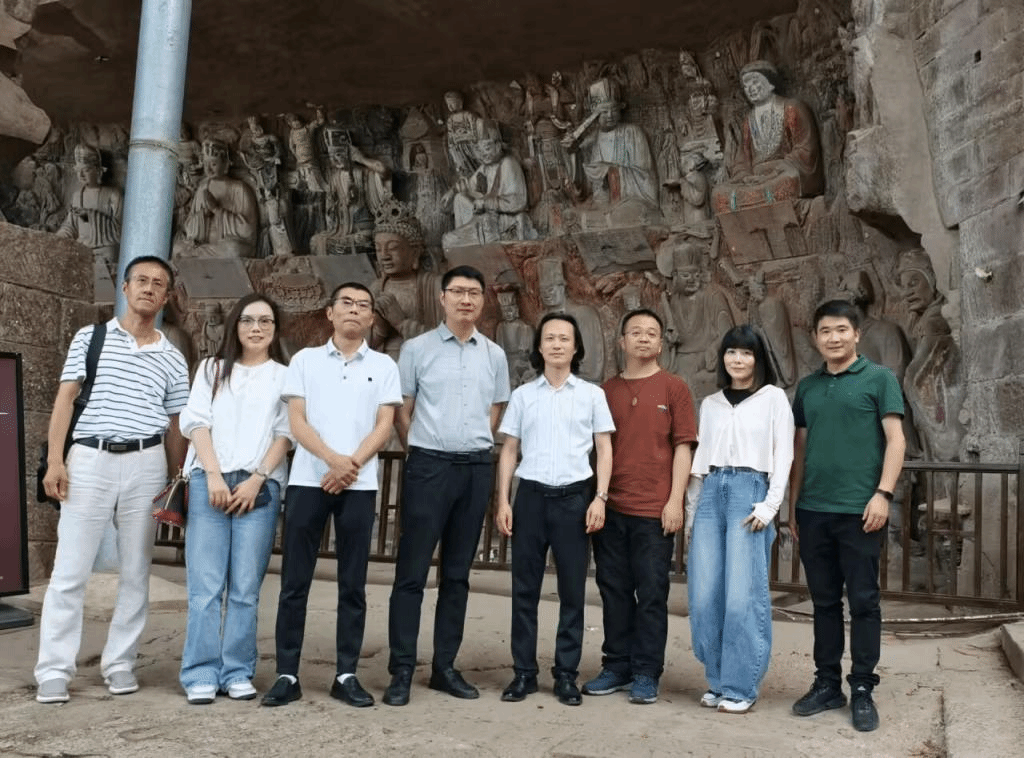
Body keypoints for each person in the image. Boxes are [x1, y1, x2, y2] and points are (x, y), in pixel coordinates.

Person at [35, 256, 189, 704]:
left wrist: (176, 479)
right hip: (90, 458)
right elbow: (65, 399)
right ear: (125, 287)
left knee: (137, 571)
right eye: (141, 280)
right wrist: (56, 462)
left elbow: (176, 424)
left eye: (158, 283)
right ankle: (54, 670)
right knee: (70, 570)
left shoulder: (173, 357)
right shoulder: (92, 337)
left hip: (147, 462)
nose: (148, 288)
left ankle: (120, 663)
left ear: (166, 297)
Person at [261, 282, 402, 708]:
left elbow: (384, 425)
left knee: (353, 584)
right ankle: (287, 673)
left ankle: (346, 674)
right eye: (347, 303)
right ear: (330, 312)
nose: (354, 310)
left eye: (363, 305)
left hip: (359, 485)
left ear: (372, 317)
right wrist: (331, 461)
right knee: (294, 582)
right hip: (308, 481)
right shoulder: (304, 361)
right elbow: (296, 422)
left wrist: (349, 466)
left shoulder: (384, 365)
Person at [383, 265, 510, 706]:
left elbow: (495, 409)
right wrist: (419, 448)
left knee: (457, 574)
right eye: (457, 292)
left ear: (483, 300)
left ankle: (444, 667)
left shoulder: (494, 354)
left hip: (474, 468)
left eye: (474, 293)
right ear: (442, 298)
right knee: (412, 572)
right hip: (429, 465)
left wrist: (472, 441)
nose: (466, 300)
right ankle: (401, 669)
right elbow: (403, 408)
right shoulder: (416, 349)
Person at [789, 300, 905, 732]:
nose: (834, 338)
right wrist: (794, 505)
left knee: (863, 602)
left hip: (861, 511)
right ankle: (826, 684)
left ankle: (861, 688)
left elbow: (896, 440)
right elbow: (800, 449)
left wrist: (883, 494)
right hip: (813, 510)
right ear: (815, 338)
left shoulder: (879, 378)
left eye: (841, 330)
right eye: (825, 331)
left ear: (856, 334)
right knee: (822, 603)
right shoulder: (808, 387)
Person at [178, 293, 292, 704]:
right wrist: (212, 475)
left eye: (265, 321)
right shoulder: (212, 369)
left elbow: (286, 433)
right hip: (210, 479)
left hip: (259, 486)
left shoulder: (285, 375)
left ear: (275, 328)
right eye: (247, 320)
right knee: (205, 585)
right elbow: (196, 422)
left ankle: (237, 670)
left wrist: (257, 480)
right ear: (235, 326)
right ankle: (200, 672)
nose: (256, 328)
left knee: (245, 586)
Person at [495, 313, 614, 706]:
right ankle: (523, 674)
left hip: (574, 500)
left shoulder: (592, 395)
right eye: (550, 338)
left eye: (565, 338)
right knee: (524, 590)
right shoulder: (523, 396)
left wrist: (600, 497)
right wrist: (503, 500)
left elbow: (604, 448)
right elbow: (509, 450)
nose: (557, 344)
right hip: (530, 499)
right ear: (540, 347)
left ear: (576, 347)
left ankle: (566, 675)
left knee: (572, 592)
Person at [583, 309, 696, 705]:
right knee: (613, 590)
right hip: (612, 507)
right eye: (636, 332)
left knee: (650, 593)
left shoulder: (674, 388)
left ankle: (647, 671)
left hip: (653, 510)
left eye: (651, 333)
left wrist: (675, 501)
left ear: (661, 343)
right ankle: (616, 665)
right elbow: (598, 447)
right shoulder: (605, 391)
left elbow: (683, 446)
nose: (644, 338)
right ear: (622, 341)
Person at [686, 325, 794, 714]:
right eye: (731, 352)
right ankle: (717, 680)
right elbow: (700, 463)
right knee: (703, 595)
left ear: (758, 358)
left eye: (746, 352)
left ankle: (740, 685)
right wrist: (692, 512)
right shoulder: (711, 404)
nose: (738, 359)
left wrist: (770, 506)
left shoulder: (773, 398)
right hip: (711, 491)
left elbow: (784, 454)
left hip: (750, 492)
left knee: (740, 596)